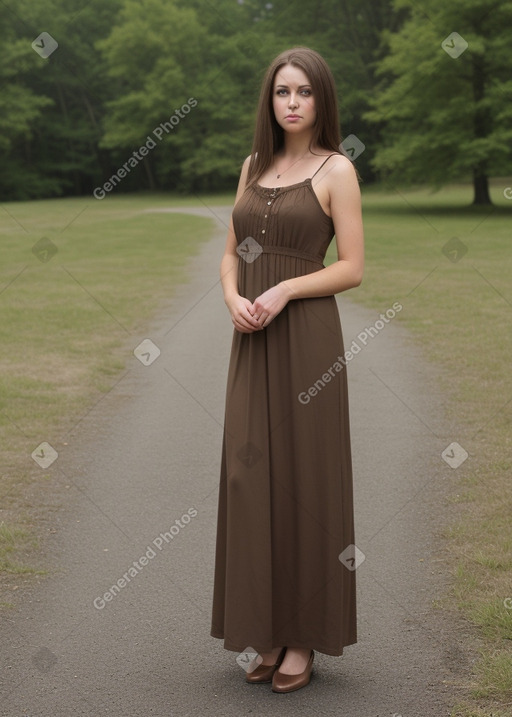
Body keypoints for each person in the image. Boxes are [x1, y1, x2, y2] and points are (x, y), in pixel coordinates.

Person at [210, 46, 364, 693]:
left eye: (303, 91)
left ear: (320, 99)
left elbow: (352, 266)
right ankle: (264, 627)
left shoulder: (337, 170)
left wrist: (283, 291)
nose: (292, 102)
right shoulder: (254, 165)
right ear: (269, 101)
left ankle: (301, 637)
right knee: (251, 477)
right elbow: (231, 251)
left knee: (305, 478)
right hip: (252, 340)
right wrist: (234, 296)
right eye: (282, 92)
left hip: (306, 342)